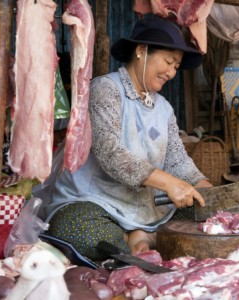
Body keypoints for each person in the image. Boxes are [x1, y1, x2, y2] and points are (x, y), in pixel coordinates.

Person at [44, 17, 212, 261]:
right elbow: (110, 153)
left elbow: (177, 161)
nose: (171, 72)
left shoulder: (163, 108)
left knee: (208, 218)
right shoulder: (105, 89)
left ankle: (142, 237)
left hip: (149, 210)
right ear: (141, 51)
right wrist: (168, 183)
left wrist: (206, 189)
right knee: (80, 230)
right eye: (168, 61)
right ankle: (138, 239)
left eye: (176, 66)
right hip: (96, 204)